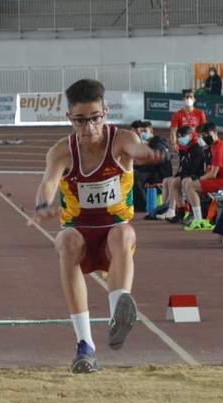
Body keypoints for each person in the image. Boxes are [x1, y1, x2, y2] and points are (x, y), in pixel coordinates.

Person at [30, 79, 161, 373]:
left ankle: (119, 314)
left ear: (105, 112)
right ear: (69, 119)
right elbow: (49, 181)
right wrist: (42, 205)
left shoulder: (120, 140)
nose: (88, 128)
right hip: (80, 231)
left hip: (114, 229)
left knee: (124, 233)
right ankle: (85, 346)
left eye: (95, 118)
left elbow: (136, 148)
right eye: (80, 121)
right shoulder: (61, 151)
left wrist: (146, 153)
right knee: (64, 242)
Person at [179, 122, 223, 232]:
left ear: (215, 133)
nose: (205, 137)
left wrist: (199, 179)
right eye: (202, 135)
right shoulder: (214, 147)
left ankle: (198, 220)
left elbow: (213, 174)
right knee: (191, 185)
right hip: (222, 178)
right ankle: (198, 217)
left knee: (191, 186)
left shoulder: (220, 148)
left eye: (207, 134)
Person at [156, 125, 206, 223]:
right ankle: (179, 212)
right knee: (174, 182)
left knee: (185, 182)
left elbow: (194, 168)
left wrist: (182, 176)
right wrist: (178, 175)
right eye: (178, 136)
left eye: (182, 136)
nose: (180, 138)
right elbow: (182, 166)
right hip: (188, 174)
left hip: (197, 175)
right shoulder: (183, 149)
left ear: (191, 135)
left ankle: (193, 213)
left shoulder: (196, 149)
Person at [129, 120, 171, 218]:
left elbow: (151, 164)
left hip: (159, 175)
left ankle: (141, 205)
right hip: (153, 172)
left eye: (145, 131)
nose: (142, 133)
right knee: (134, 173)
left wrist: (136, 167)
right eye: (141, 131)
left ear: (151, 130)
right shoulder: (152, 143)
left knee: (136, 176)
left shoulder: (157, 144)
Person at [169, 89, 206, 155]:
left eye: (191, 97)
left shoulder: (200, 113)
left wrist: (204, 141)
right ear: (183, 99)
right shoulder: (177, 115)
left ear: (194, 99)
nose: (189, 99)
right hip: (183, 144)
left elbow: (204, 129)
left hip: (196, 143)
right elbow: (173, 131)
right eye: (187, 97)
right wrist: (174, 143)